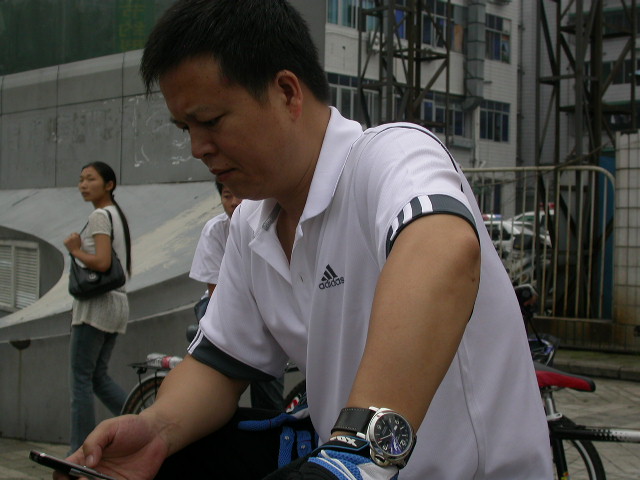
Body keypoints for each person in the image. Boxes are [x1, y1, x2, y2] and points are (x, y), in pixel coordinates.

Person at [57, 1, 552, 479]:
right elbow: (218, 365)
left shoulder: (389, 156)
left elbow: (445, 250)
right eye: (185, 127)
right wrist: (155, 431)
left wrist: (356, 452)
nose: (197, 148)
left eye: (210, 121)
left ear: (286, 92)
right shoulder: (251, 225)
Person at [190, 181, 285, 410]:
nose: (233, 202)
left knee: (268, 370)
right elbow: (215, 294)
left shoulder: (269, 223)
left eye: (237, 195)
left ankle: (268, 414)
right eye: (226, 196)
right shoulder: (214, 230)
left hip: (264, 303)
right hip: (220, 304)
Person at [63, 161, 132, 455]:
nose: (83, 185)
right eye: (81, 179)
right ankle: (140, 421)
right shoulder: (116, 214)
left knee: (81, 379)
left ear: (109, 185)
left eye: (90, 179)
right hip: (116, 303)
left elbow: (103, 262)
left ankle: (78, 450)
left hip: (96, 307)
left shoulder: (100, 216)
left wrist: (75, 250)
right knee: (98, 377)